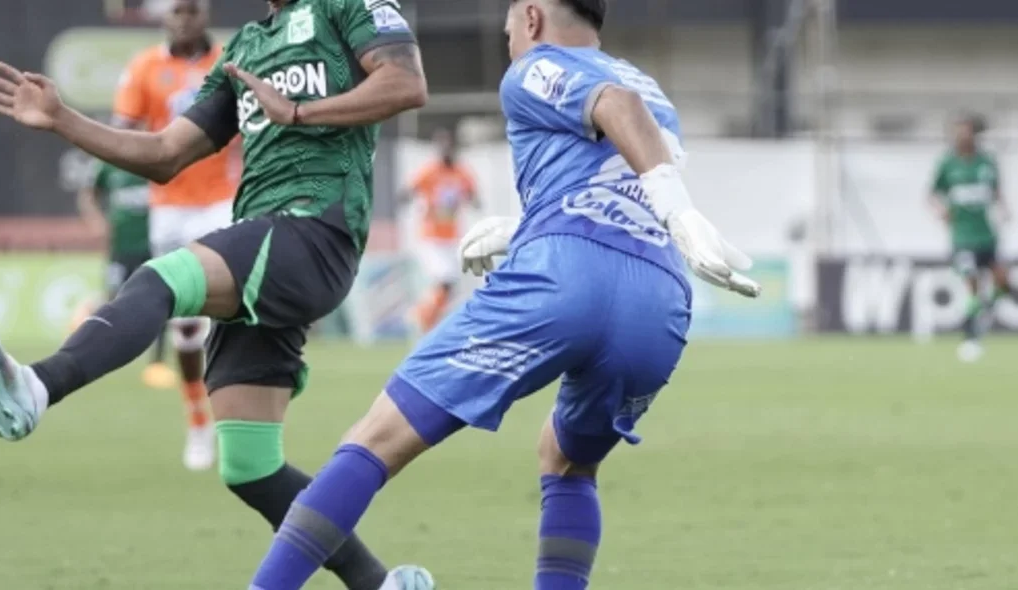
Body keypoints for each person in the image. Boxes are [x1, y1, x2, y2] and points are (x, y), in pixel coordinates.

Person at [242, 1, 760, 589]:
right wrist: (524, 226)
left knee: (373, 439)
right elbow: (616, 176)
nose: (509, 38)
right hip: (660, 298)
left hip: (567, 277)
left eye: (509, 25)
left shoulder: (536, 67)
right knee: (566, 460)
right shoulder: (649, 85)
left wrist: (680, 212)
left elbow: (619, 110)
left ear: (533, 18)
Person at [0, 0, 430, 587]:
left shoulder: (349, 7)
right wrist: (62, 119)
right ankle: (377, 583)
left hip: (314, 230)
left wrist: (300, 111)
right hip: (269, 244)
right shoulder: (242, 50)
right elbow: (165, 155)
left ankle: (39, 385)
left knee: (161, 279)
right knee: (250, 466)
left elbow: (406, 83)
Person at [113, 0, 244, 468]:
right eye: (177, 11)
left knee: (236, 309)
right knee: (187, 327)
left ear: (204, 15)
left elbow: (253, 124)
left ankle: (242, 418)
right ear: (165, 18)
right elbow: (123, 126)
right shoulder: (145, 67)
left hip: (219, 201)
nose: (185, 18)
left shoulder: (230, 59)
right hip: (168, 206)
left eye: (192, 10)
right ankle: (197, 422)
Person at [929, 114, 1009, 363]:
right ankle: (970, 338)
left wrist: (1004, 208)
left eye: (967, 131)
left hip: (986, 235)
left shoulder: (986, 162)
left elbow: (995, 190)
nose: (963, 136)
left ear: (974, 134)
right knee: (973, 282)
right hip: (962, 238)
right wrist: (940, 210)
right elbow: (932, 194)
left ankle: (982, 316)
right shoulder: (948, 164)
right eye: (959, 131)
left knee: (1001, 281)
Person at [402, 127, 478, 334]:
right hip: (431, 236)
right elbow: (406, 192)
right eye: (441, 146)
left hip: (452, 236)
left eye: (449, 146)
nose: (446, 150)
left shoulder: (462, 172)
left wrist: (468, 198)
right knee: (444, 280)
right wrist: (422, 204)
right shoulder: (429, 171)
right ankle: (423, 316)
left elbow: (474, 197)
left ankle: (427, 319)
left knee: (450, 286)